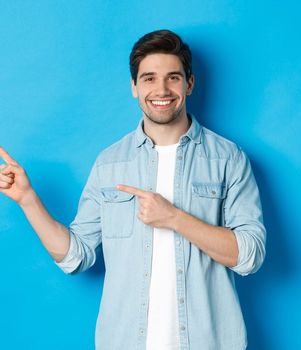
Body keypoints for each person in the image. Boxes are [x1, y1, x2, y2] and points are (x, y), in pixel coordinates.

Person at [0, 29, 266, 349]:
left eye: (173, 77)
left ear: (189, 84)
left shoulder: (228, 158)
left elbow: (250, 255)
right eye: (149, 78)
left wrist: (174, 218)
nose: (162, 89)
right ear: (134, 87)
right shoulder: (110, 163)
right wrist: (28, 200)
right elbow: (75, 257)